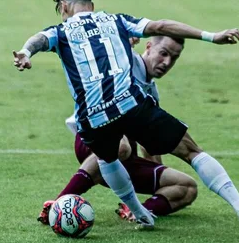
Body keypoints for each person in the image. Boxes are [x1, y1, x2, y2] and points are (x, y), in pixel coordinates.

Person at [13, 0, 239, 231]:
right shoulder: (116, 20)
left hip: (93, 120)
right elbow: (161, 25)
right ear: (91, 5)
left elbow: (38, 39)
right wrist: (212, 36)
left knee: (111, 158)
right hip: (130, 106)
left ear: (63, 7)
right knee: (190, 151)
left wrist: (25, 53)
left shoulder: (60, 31)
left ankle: (138, 212)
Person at [38, 36, 198, 225]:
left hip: (123, 159)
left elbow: (149, 142)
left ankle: (137, 211)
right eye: (163, 53)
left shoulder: (151, 93)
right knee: (121, 147)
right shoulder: (126, 63)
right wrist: (122, 43)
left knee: (187, 187)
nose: (167, 62)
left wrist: (156, 174)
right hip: (91, 140)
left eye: (174, 58)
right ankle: (58, 204)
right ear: (149, 46)